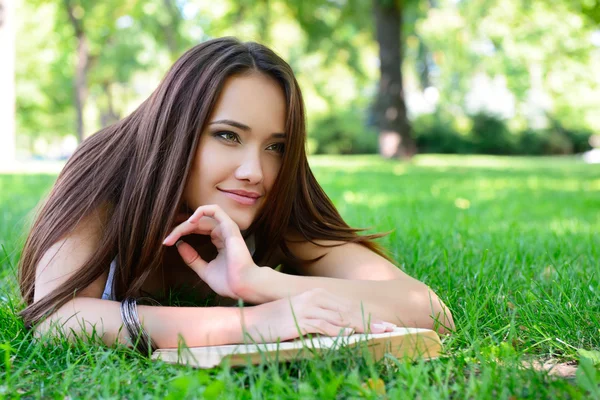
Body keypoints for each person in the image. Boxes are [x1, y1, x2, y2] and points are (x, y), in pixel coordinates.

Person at [18, 37, 454, 354]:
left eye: (275, 147)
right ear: (177, 131)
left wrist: (260, 283)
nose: (254, 172)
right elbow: (58, 320)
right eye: (227, 135)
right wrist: (253, 323)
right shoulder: (106, 170)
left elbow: (430, 311)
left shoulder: (275, 204)